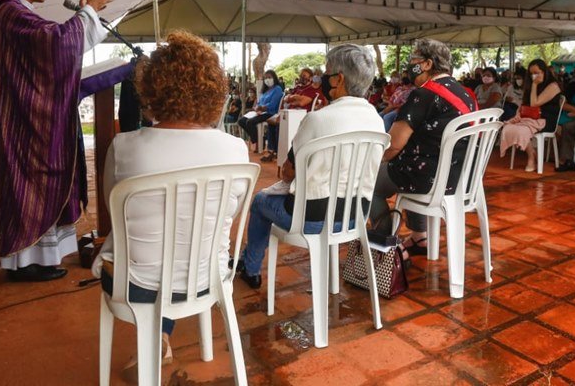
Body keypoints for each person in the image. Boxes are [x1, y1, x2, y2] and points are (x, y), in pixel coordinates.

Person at [91, 31, 248, 379]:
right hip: (209, 277)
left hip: (136, 287)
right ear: (212, 89)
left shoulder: (125, 147)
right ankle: (162, 336)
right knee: (179, 246)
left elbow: (114, 211)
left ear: (151, 87)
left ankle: (157, 339)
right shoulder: (236, 150)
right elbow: (231, 215)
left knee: (137, 251)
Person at [0, 0, 113, 281]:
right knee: (29, 186)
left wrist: (86, 15)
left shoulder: (14, 12)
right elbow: (55, 43)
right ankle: (25, 265)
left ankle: (29, 261)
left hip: (21, 117)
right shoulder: (10, 11)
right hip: (22, 123)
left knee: (27, 188)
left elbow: (56, 41)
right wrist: (89, 12)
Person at [236, 44, 384, 288]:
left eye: (326, 73)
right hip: (354, 218)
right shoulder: (376, 121)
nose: (322, 79)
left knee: (261, 201)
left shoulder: (317, 119)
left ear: (338, 79)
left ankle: (250, 269)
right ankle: (246, 262)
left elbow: (287, 173)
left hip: (312, 219)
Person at [368, 39, 475, 259]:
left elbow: (394, 145)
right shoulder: (464, 93)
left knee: (366, 181)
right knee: (413, 162)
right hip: (459, 175)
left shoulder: (424, 94)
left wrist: (371, 162)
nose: (410, 65)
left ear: (426, 64)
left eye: (413, 60)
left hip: (427, 176)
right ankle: (419, 236)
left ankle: (386, 244)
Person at [500, 59, 562, 172]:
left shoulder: (553, 86)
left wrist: (534, 84)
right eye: (531, 74)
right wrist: (518, 114)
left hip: (545, 119)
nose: (534, 76)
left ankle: (531, 158)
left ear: (544, 72)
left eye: (537, 73)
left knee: (522, 131)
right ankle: (532, 152)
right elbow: (525, 103)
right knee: (508, 127)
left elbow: (534, 103)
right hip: (529, 117)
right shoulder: (529, 86)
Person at [237, 69, 283, 159]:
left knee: (250, 122)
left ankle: (258, 142)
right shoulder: (264, 91)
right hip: (259, 112)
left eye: (269, 77)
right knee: (241, 121)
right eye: (265, 78)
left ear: (274, 78)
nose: (267, 80)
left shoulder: (277, 89)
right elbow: (258, 102)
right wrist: (256, 108)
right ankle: (257, 139)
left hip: (270, 113)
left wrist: (262, 108)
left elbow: (273, 104)